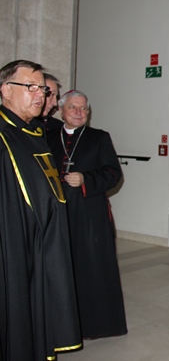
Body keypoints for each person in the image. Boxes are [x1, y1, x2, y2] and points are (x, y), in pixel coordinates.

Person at [0, 60, 81, 360]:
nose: (40, 95)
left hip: (41, 243)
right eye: (30, 87)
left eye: (43, 89)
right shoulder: (3, 135)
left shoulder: (33, 133)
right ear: (6, 90)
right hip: (13, 246)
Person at [47, 90, 128, 339]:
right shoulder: (48, 137)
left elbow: (114, 173)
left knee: (92, 267)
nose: (79, 112)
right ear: (61, 111)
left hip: (90, 213)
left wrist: (85, 179)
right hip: (57, 212)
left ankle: (98, 324)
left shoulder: (99, 137)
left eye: (83, 108)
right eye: (73, 107)